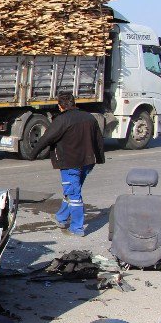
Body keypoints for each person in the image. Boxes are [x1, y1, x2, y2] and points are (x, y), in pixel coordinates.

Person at [28, 90, 105, 236]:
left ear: (60, 106)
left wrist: (32, 153)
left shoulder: (62, 120)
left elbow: (46, 138)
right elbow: (99, 140)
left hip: (70, 163)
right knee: (71, 191)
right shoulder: (89, 117)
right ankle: (62, 217)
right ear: (74, 103)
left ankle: (77, 228)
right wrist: (99, 158)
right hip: (88, 162)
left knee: (74, 194)